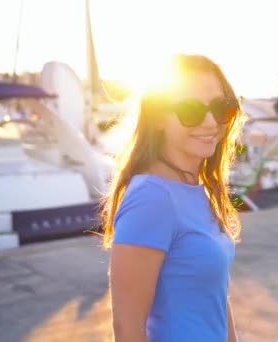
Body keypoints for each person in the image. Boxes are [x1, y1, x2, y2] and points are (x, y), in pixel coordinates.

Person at [99, 54, 245, 341]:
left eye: (220, 108)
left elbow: (213, 296)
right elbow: (127, 328)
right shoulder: (152, 199)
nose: (209, 122)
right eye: (190, 109)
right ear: (157, 120)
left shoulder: (197, 187)